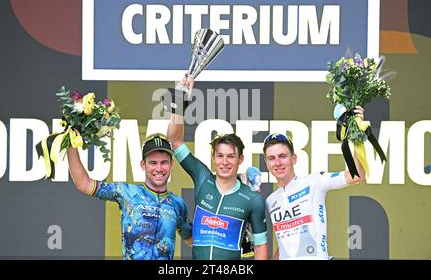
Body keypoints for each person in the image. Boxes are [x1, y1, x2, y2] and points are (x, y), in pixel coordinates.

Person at [167, 76, 269, 260]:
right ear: (213, 158)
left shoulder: (253, 199)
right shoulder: (202, 178)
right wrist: (180, 99)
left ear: (240, 159)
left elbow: (261, 246)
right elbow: (174, 141)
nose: (225, 162)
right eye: (220, 156)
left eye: (231, 156)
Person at [67, 133, 193, 260]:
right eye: (153, 163)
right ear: (143, 165)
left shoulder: (178, 204)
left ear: (172, 164)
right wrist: (71, 143)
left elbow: (191, 240)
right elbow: (83, 183)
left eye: (164, 162)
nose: (159, 168)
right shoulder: (127, 192)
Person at [263, 106, 366, 260]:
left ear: (294, 158)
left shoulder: (315, 181)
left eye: (282, 156)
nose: (277, 162)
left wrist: (357, 135)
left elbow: (357, 175)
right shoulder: (271, 200)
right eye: (271, 158)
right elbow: (285, 243)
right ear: (266, 163)